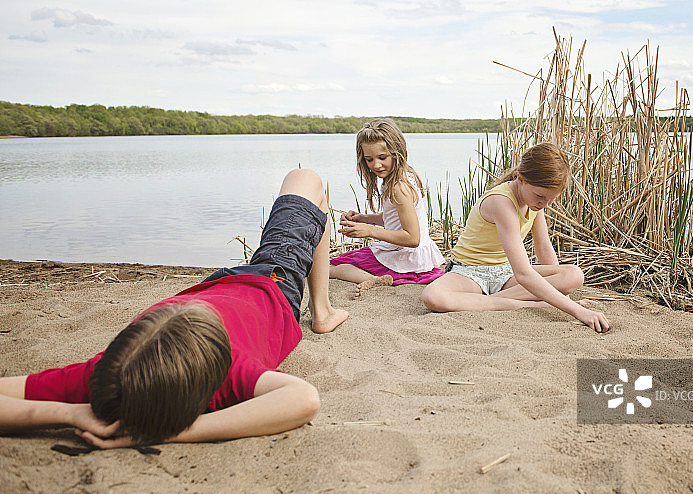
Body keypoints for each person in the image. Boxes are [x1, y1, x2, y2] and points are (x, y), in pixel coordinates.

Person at [0, 168, 349, 448]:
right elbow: (303, 399)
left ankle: (321, 307)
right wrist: (176, 434)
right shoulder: (225, 371)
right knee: (305, 179)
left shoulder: (109, 376)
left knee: (304, 192)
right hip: (270, 286)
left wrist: (71, 414)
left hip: (217, 286)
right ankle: (322, 311)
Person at [421, 143, 609, 333]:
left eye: (551, 199)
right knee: (433, 297)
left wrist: (562, 295)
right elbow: (524, 274)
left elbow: (544, 248)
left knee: (573, 275)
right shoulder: (501, 201)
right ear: (521, 179)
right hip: (469, 272)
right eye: (540, 196)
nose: (545, 204)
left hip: (505, 274)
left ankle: (490, 300)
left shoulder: (534, 203)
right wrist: (577, 310)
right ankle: (523, 303)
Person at [330, 118, 444, 297]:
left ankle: (374, 279)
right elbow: (396, 219)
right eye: (369, 159)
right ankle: (378, 277)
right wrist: (365, 219)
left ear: (397, 152)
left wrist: (369, 231)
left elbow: (412, 238)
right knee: (346, 260)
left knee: (336, 268)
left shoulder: (399, 187)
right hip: (410, 253)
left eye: (382, 158)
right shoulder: (401, 176)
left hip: (405, 255)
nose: (376, 165)